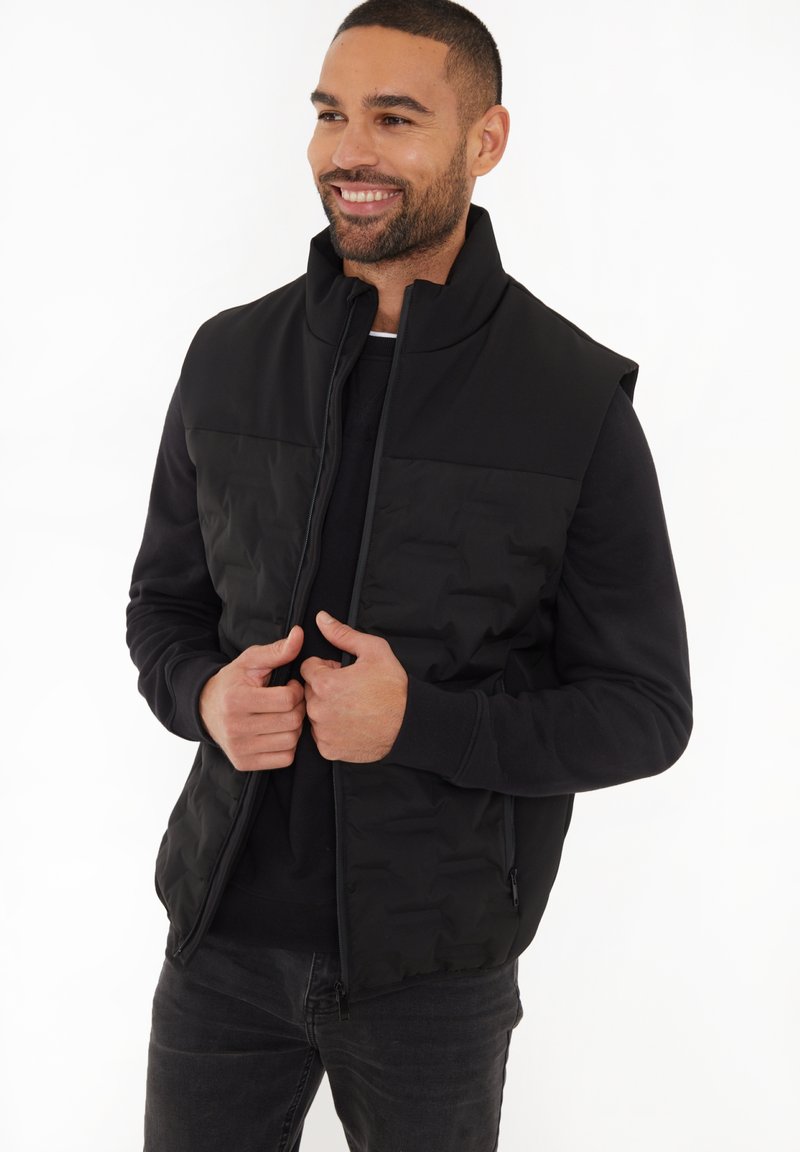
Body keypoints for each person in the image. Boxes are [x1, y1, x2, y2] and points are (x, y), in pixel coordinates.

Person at [126, 1, 692, 1148]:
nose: (350, 152)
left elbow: (644, 713)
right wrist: (202, 695)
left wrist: (417, 724)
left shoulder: (570, 400)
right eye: (331, 114)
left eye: (394, 118)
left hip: (431, 972)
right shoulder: (228, 358)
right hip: (216, 944)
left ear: (485, 140)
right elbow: (163, 607)